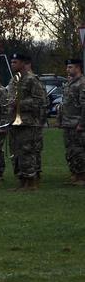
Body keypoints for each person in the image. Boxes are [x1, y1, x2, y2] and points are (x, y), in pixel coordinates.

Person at [5, 53, 48, 190]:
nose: (12, 64)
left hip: (28, 122)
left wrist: (19, 103)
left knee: (27, 151)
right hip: (14, 121)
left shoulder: (31, 79)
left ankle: (31, 181)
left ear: (23, 63)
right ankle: (22, 180)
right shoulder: (14, 80)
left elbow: (40, 100)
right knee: (16, 152)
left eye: (15, 62)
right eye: (11, 62)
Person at [59, 58, 85, 186]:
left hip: (77, 123)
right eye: (67, 67)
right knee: (71, 151)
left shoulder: (82, 83)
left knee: (79, 150)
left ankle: (82, 176)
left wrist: (82, 123)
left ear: (78, 68)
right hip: (68, 123)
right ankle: (75, 174)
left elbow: (84, 105)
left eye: (70, 67)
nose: (67, 69)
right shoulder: (70, 83)